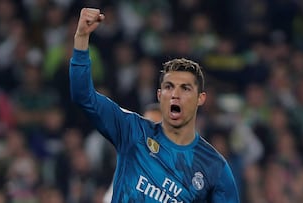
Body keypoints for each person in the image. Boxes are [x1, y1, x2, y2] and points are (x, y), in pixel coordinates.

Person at [69, 8, 240, 202]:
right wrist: (81, 38)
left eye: (185, 88)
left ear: (200, 98)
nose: (175, 94)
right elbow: (83, 96)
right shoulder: (133, 130)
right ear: (159, 95)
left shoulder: (215, 168)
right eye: (169, 87)